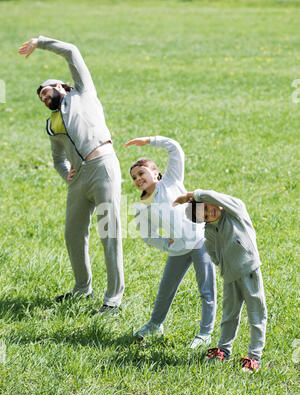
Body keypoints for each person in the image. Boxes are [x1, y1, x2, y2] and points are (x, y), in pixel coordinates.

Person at [19, 36, 124, 312]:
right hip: (79, 179)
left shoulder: (83, 92)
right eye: (40, 97)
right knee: (73, 234)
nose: (44, 97)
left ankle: (113, 299)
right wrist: (67, 173)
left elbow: (72, 51)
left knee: (109, 233)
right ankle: (82, 289)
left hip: (103, 167)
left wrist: (39, 42)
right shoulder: (52, 124)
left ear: (59, 86)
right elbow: (57, 158)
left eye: (45, 91)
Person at [126, 136, 216, 348]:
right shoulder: (143, 206)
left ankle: (205, 333)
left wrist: (149, 141)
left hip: (200, 241)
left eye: (141, 173)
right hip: (177, 250)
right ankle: (155, 324)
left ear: (155, 172)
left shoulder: (171, 181)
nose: (138, 178)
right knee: (166, 289)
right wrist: (167, 244)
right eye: (134, 177)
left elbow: (174, 149)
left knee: (206, 289)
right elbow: (147, 234)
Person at [173, 189, 268, 371]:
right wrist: (223, 264)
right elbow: (212, 251)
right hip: (230, 275)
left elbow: (215, 196)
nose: (210, 213)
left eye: (208, 207)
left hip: (249, 270)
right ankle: (224, 350)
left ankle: (254, 357)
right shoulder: (209, 230)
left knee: (256, 312)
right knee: (229, 314)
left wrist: (194, 195)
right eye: (206, 216)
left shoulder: (235, 211)